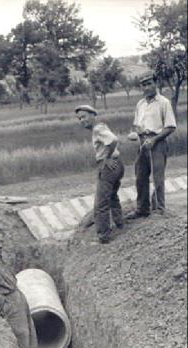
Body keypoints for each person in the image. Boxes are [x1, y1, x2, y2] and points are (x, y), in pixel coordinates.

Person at [126, 71, 177, 219]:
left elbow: (171, 127)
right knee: (140, 176)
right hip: (142, 143)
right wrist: (135, 134)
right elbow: (137, 125)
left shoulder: (163, 102)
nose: (146, 87)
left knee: (157, 177)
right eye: (143, 85)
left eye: (149, 83)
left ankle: (159, 209)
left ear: (155, 83)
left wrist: (154, 140)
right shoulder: (140, 104)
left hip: (157, 142)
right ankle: (142, 209)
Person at [75, 104, 124, 244]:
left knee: (100, 204)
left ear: (92, 115)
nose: (81, 120)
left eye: (84, 117)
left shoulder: (97, 129)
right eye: (79, 118)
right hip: (118, 164)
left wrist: (106, 158)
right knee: (113, 196)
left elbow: (113, 140)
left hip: (109, 166)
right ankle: (119, 224)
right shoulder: (101, 126)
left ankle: (103, 237)